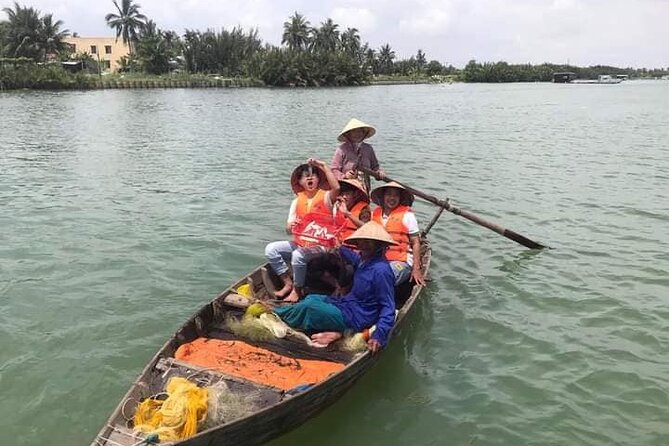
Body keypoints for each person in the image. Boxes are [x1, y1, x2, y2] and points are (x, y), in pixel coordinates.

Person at [274, 221, 397, 354]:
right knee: (313, 297)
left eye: (369, 242)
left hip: (357, 317)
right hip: (346, 305)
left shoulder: (381, 270)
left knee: (310, 307)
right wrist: (339, 247)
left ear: (379, 245)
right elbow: (355, 259)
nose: (364, 245)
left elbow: (388, 306)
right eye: (362, 241)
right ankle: (292, 314)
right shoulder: (365, 260)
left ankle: (275, 313)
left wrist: (379, 335)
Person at [265, 159, 340, 302]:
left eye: (313, 175)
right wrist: (293, 225)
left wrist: (323, 166)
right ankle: (287, 283)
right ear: (300, 181)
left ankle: (296, 290)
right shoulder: (296, 201)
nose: (310, 177)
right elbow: (288, 230)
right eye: (305, 176)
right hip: (301, 243)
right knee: (271, 249)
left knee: (298, 255)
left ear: (319, 179)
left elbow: (336, 188)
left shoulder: (326, 197)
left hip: (322, 245)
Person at [370, 182, 425, 287]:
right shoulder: (375, 214)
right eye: (389, 194)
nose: (392, 198)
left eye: (395, 195)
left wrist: (416, 269)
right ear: (383, 196)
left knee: (384, 276)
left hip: (400, 261)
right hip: (377, 259)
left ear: (400, 198)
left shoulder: (407, 216)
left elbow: (416, 242)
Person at [331, 118, 384, 183]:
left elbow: (375, 166)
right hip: (346, 185)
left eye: (360, 131)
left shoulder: (368, 149)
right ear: (348, 134)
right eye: (354, 131)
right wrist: (344, 176)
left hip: (364, 185)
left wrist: (379, 172)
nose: (357, 134)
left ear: (364, 133)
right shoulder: (341, 149)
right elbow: (334, 169)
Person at [335, 178, 371, 242]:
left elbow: (367, 228)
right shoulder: (336, 207)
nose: (344, 197)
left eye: (348, 194)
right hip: (337, 245)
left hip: (353, 248)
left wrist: (347, 213)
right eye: (342, 194)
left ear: (355, 195)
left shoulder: (364, 209)